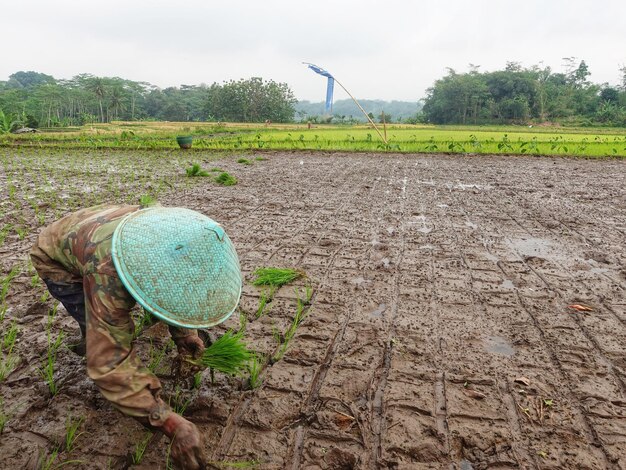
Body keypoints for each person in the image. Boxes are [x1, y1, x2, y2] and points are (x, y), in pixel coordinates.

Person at [30, 204, 242, 470]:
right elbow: (110, 365)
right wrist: (169, 422)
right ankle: (91, 341)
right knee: (101, 337)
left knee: (128, 309)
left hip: (97, 229)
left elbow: (179, 286)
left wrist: (185, 334)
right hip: (57, 257)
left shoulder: (174, 232)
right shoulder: (107, 271)